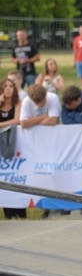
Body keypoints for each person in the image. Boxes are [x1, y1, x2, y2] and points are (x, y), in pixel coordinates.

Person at [0, 78, 24, 219]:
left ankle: (20, 212)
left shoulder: (18, 103)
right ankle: (8, 212)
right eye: (5, 86)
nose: (8, 89)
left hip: (14, 143)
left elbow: (16, 121)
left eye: (10, 86)